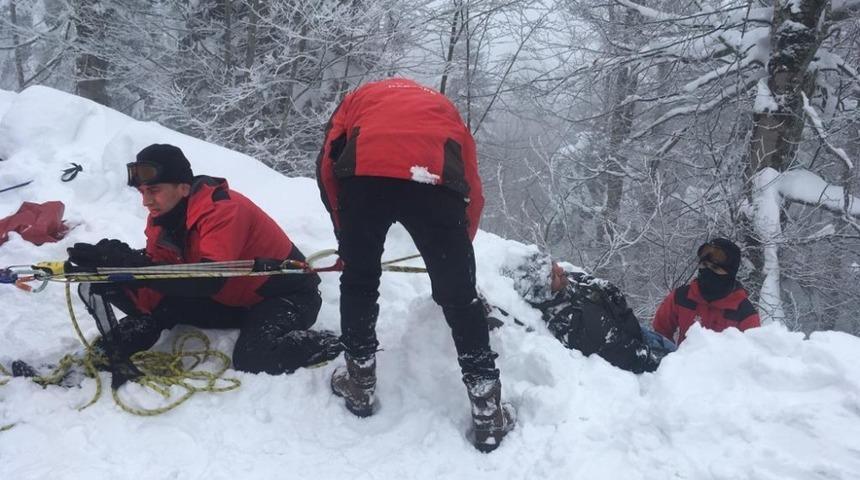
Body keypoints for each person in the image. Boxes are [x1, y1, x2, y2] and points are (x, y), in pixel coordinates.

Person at [316, 78, 515, 453]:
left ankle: (359, 385)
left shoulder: (356, 100)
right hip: (433, 181)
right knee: (460, 299)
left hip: (364, 177)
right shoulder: (443, 109)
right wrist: (457, 258)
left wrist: (347, 238)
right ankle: (488, 411)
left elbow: (327, 162)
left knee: (359, 282)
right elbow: (470, 181)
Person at [63, 144, 340, 388]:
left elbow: (208, 278)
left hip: (285, 296)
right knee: (162, 307)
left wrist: (136, 269)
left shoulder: (223, 210)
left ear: (183, 187)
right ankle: (105, 354)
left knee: (254, 359)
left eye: (154, 190)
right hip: (232, 299)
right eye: (142, 192)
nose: (146, 201)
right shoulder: (162, 219)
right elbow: (161, 282)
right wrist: (116, 273)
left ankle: (330, 343)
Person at [492, 253, 675, 374]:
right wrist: (664, 362)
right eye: (553, 274)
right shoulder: (575, 323)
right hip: (643, 346)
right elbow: (624, 352)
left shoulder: (561, 288)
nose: (561, 270)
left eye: (553, 264)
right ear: (544, 290)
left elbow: (585, 282)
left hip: (635, 329)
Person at [652, 237, 761, 344]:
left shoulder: (744, 313)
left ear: (730, 274)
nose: (707, 271)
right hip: (683, 361)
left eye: (715, 268)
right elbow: (660, 334)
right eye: (704, 265)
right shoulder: (681, 297)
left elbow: (753, 355)